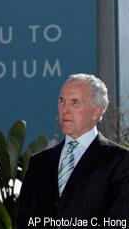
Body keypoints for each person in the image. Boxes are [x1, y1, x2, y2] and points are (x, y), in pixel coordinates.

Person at [17, 74, 129, 228]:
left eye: (75, 102)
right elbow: (25, 221)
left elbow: (119, 221)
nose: (65, 109)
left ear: (97, 111)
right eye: (61, 101)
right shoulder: (39, 163)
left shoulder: (120, 160)